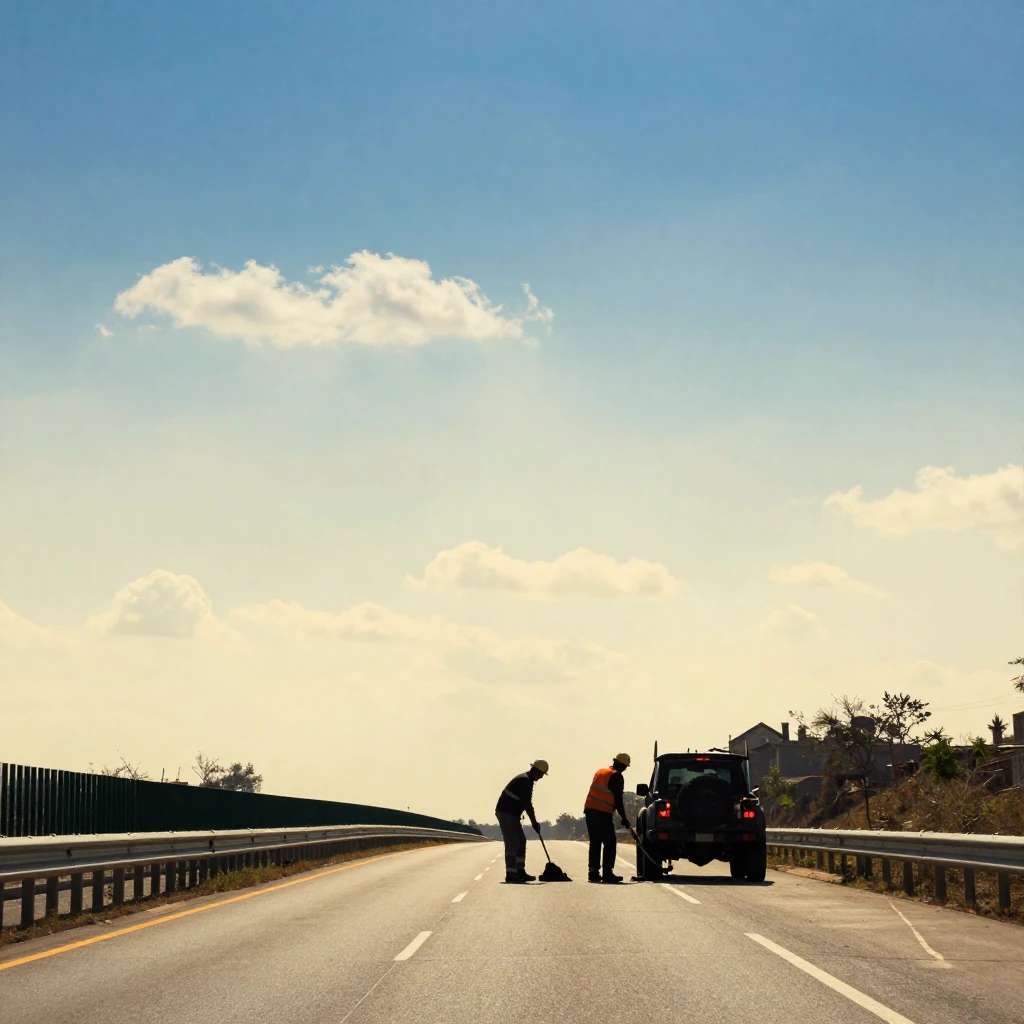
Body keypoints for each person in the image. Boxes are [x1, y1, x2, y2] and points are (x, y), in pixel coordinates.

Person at [495, 760, 548, 883]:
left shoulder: (527, 780)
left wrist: (534, 822)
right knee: (512, 841)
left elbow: (526, 804)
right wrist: (534, 822)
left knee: (521, 840)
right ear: (534, 770)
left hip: (513, 814)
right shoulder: (525, 781)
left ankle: (520, 871)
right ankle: (511, 873)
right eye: (540, 774)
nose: (541, 777)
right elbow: (527, 804)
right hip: (505, 812)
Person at [583, 753, 631, 883]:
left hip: (590, 810)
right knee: (610, 842)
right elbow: (618, 799)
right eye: (625, 767)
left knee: (595, 841)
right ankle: (607, 873)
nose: (625, 769)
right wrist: (624, 818)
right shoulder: (616, 776)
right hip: (602, 813)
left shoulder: (601, 771)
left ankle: (593, 872)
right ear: (622, 765)